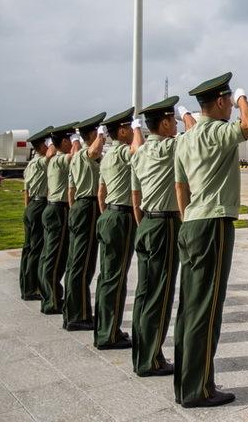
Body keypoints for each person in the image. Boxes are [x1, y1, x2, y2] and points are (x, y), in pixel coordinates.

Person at [173, 72, 248, 408]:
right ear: (221, 102)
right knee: (207, 309)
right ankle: (200, 390)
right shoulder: (221, 131)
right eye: (228, 101)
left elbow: (181, 188)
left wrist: (185, 219)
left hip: (191, 222)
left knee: (189, 307)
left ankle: (186, 384)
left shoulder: (185, 139)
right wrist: (242, 97)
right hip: (213, 225)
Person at [130, 96, 195, 377]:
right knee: (160, 294)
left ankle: (141, 354)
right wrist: (187, 114)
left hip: (145, 223)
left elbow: (135, 196)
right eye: (173, 120)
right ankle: (151, 360)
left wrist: (143, 222)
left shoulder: (139, 153)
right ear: (167, 122)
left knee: (144, 294)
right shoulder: (172, 147)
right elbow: (197, 135)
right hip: (165, 224)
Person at [92, 107, 143, 349]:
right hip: (121, 216)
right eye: (130, 127)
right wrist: (137, 128)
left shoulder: (108, 156)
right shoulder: (122, 152)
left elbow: (100, 193)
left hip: (109, 214)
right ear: (122, 130)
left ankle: (104, 329)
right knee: (115, 277)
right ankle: (108, 334)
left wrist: (107, 216)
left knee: (107, 277)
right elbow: (139, 150)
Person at [64, 112, 106, 331]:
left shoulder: (75, 158)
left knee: (77, 262)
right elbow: (95, 151)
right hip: (88, 205)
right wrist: (101, 134)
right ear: (93, 134)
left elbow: (70, 190)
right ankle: (77, 315)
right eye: (98, 132)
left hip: (79, 206)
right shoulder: (85, 154)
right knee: (83, 264)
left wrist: (74, 211)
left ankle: (73, 312)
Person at [39, 122, 77, 315]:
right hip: (59, 209)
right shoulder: (61, 159)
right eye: (69, 139)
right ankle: (52, 301)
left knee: (49, 255)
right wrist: (78, 141)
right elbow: (76, 157)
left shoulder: (51, 159)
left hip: (51, 207)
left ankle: (49, 297)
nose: (72, 142)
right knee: (55, 257)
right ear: (64, 142)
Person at [20, 126, 54, 301]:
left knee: (28, 248)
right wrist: (55, 142)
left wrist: (27, 209)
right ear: (41, 147)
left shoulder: (30, 164)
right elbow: (49, 156)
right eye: (47, 144)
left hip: (31, 205)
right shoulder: (40, 161)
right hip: (39, 204)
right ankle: (32, 288)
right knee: (36, 249)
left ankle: (26, 285)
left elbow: (25, 191)